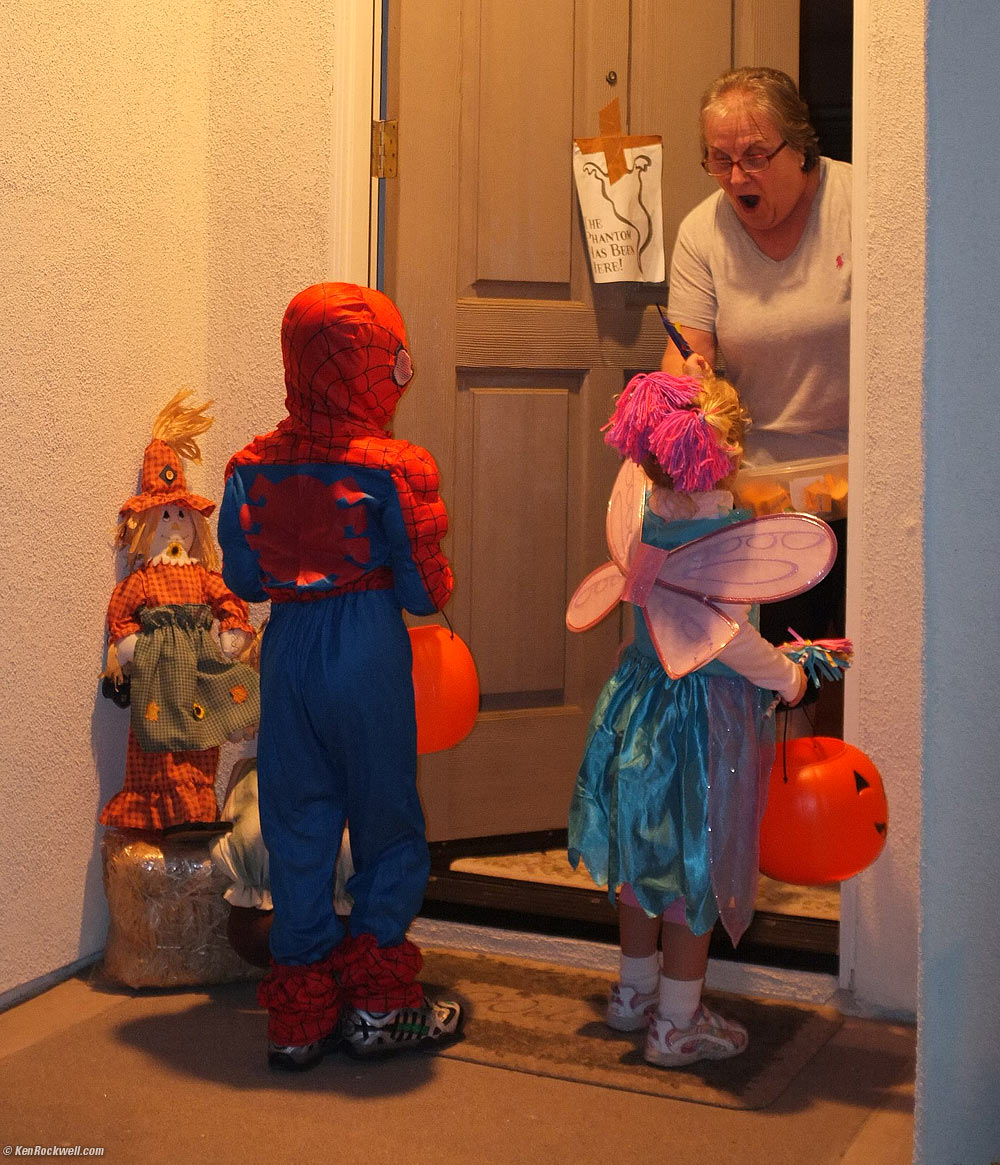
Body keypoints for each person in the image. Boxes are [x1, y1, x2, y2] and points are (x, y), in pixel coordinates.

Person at [217, 282, 462, 1070]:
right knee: (387, 817)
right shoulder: (396, 469)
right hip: (365, 648)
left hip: (287, 649)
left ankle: (300, 1015)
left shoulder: (249, 466)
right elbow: (428, 592)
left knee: (298, 821)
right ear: (373, 369)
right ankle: (381, 1004)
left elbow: (247, 582)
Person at [568, 363, 808, 1069]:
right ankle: (676, 1021)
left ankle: (633, 993)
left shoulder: (642, 515)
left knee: (645, 859)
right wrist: (791, 676)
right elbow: (731, 641)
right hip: (701, 724)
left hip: (640, 706)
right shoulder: (728, 540)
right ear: (722, 452)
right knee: (694, 864)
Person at [661, 64, 850, 682]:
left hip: (868, 480)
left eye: (754, 156)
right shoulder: (701, 231)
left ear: (800, 148)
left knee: (866, 671)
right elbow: (689, 349)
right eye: (719, 159)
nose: (735, 177)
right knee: (788, 676)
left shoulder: (863, 205)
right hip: (765, 496)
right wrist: (686, 394)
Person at [100, 391, 259, 832]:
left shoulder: (201, 574)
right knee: (159, 742)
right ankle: (163, 807)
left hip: (199, 669)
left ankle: (198, 800)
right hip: (157, 673)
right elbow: (123, 610)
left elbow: (228, 598)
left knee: (202, 736)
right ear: (143, 527)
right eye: (164, 515)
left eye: (181, 515)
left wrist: (233, 627)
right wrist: (127, 643)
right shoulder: (144, 579)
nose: (174, 524)